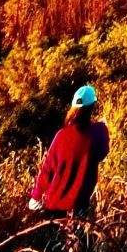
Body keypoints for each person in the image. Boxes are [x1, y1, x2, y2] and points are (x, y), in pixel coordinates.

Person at [29, 85, 110, 218]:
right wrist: (103, 130)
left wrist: (36, 196)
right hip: (80, 204)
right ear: (92, 106)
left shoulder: (61, 135)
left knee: (54, 239)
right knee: (81, 237)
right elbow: (102, 154)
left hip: (54, 205)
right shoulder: (98, 132)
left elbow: (47, 169)